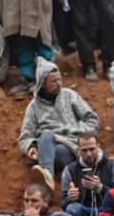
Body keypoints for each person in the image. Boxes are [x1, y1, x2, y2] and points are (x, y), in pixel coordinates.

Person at [18, 59, 99, 189]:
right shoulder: (33, 106)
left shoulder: (70, 95)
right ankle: (47, 177)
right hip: (48, 149)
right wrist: (31, 147)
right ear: (42, 84)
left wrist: (77, 133)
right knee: (46, 136)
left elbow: (92, 120)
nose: (58, 84)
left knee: (46, 137)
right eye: (53, 81)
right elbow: (25, 136)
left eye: (59, 79)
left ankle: (45, 181)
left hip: (72, 148)